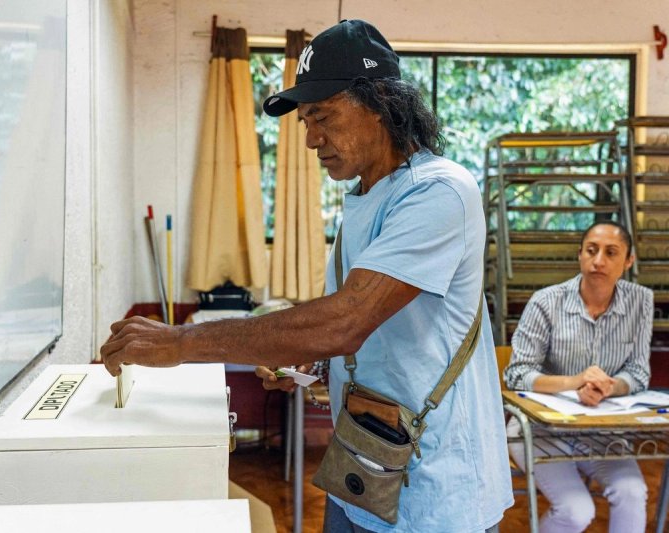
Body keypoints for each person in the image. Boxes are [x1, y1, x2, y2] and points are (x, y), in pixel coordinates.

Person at [101, 19, 512, 532]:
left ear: (381, 102)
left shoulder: (439, 193)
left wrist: (179, 342)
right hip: (363, 467)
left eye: (323, 117)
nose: (313, 138)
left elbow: (346, 321)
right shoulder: (362, 198)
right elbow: (367, 335)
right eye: (305, 122)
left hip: (434, 488)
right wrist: (314, 365)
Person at [504, 220, 653, 533]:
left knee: (632, 492)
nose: (598, 261)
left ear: (628, 262)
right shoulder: (547, 301)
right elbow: (517, 374)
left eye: (611, 253)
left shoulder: (640, 302)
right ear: (580, 255)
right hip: (538, 429)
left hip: (601, 428)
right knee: (576, 510)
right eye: (591, 250)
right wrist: (575, 382)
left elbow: (638, 371)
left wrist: (610, 387)